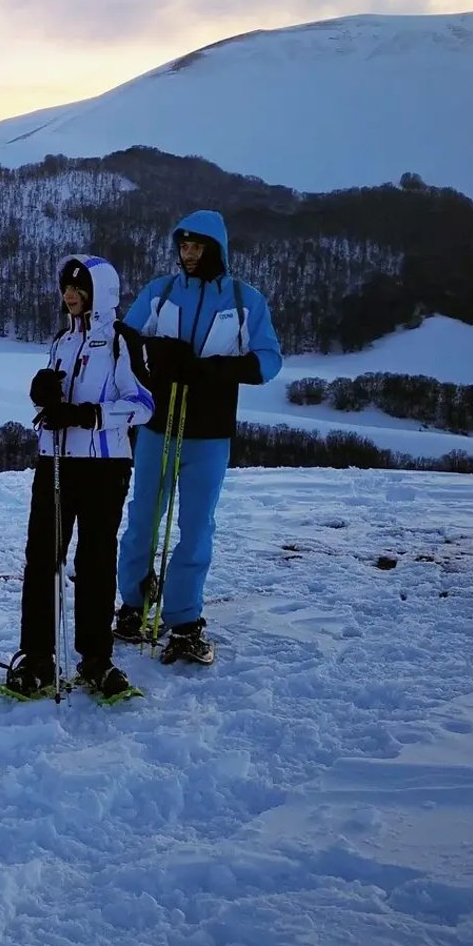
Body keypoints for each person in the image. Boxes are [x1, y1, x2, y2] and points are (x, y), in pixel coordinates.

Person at [114, 210, 282, 665]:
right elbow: (123, 339)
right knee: (143, 518)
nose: (188, 255)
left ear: (216, 249)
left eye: (197, 247)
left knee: (196, 527)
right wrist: (157, 352)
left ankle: (184, 619)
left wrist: (214, 369)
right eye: (183, 246)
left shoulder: (245, 302)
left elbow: (269, 360)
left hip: (209, 432)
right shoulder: (160, 292)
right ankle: (133, 605)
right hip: (156, 425)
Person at [4, 255, 154, 701]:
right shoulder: (62, 341)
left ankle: (96, 659)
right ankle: (36, 658)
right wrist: (45, 396)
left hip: (105, 465)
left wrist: (89, 415)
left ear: (100, 293)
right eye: (66, 288)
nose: (70, 296)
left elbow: (144, 404)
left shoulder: (122, 342)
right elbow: (57, 404)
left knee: (94, 561)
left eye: (80, 288)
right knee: (41, 559)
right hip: (55, 461)